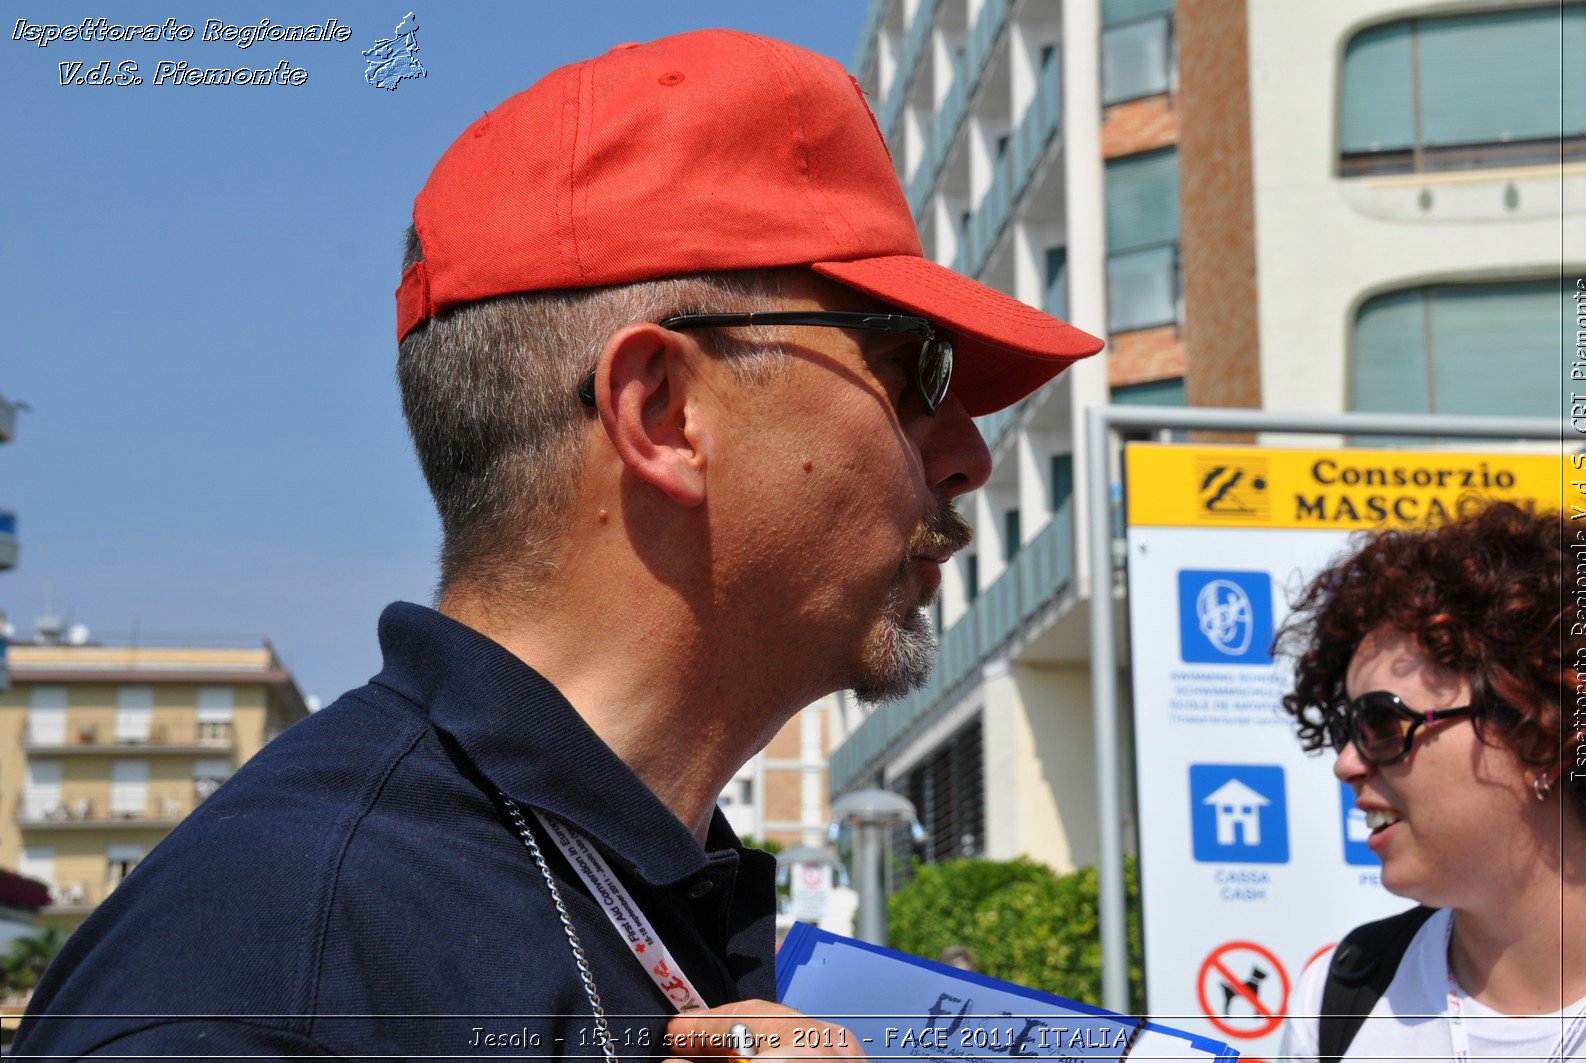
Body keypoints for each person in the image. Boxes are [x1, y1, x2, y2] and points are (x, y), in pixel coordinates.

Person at [13, 29, 1102, 1059]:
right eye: (917, 374)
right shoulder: (279, 979)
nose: (968, 457)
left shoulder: (612, 888)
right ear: (664, 413)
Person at [1275, 501, 1586, 1061]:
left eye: (1380, 721)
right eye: (1345, 727)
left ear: (1542, 726)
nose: (1346, 763)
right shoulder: (1338, 1000)